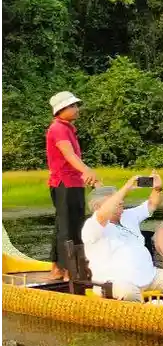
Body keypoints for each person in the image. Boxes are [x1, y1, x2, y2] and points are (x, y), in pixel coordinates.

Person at [82, 173, 163, 302]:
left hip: (150, 276)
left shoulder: (128, 215)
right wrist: (126, 188)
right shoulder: (93, 226)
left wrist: (157, 189)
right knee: (128, 292)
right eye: (114, 199)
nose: (121, 201)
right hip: (114, 283)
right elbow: (103, 215)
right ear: (97, 207)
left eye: (120, 198)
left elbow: (151, 205)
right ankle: (145, 317)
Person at [46, 91, 99, 280]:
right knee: (69, 227)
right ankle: (69, 270)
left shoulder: (67, 128)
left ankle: (58, 268)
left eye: (76, 105)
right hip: (65, 183)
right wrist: (87, 171)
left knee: (64, 225)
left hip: (72, 183)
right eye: (72, 106)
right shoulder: (58, 128)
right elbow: (69, 155)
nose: (77, 109)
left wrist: (86, 175)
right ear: (61, 110)